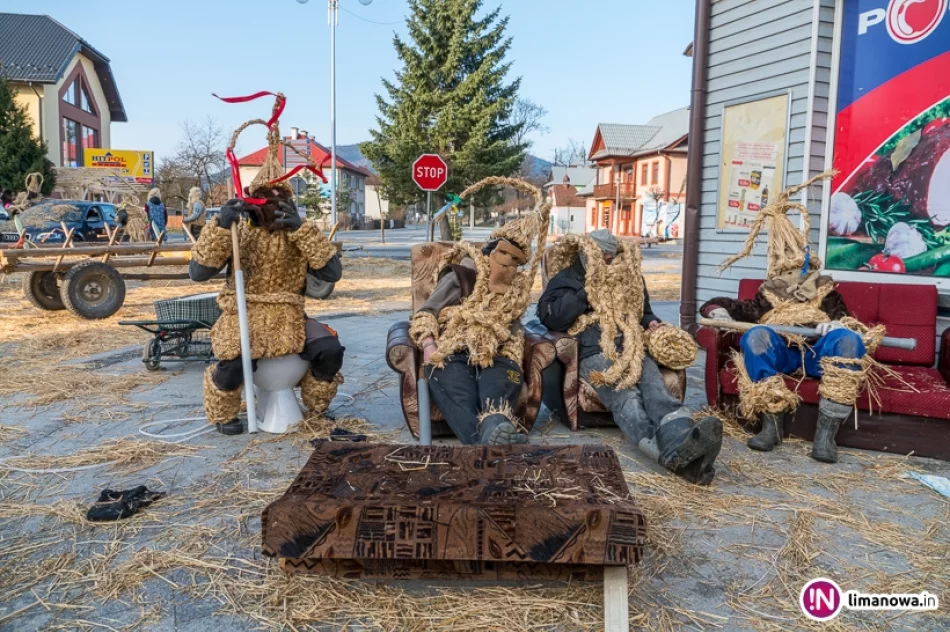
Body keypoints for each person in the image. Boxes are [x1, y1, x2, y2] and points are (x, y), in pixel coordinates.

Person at [700, 171, 867, 463]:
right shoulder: (767, 296)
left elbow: (845, 320)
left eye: (800, 272)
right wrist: (717, 311)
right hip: (784, 357)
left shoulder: (826, 292)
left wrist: (837, 325)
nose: (794, 279)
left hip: (818, 355)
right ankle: (771, 425)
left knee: (849, 340)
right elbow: (723, 304)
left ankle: (825, 437)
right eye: (786, 271)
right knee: (755, 335)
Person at [538, 230, 722, 485]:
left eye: (612, 255)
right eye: (603, 255)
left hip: (632, 347)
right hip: (593, 351)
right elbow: (551, 317)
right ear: (587, 253)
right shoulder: (567, 278)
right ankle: (665, 455)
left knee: (656, 390)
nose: (609, 260)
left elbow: (644, 311)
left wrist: (652, 323)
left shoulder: (628, 277)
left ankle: (684, 438)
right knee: (626, 396)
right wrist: (585, 292)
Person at [189, 186, 344, 435]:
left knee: (329, 349)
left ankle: (317, 405)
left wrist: (301, 231)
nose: (272, 209)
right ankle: (223, 409)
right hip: (243, 310)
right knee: (235, 358)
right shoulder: (237, 232)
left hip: (288, 314)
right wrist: (220, 227)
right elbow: (198, 273)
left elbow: (332, 273)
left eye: (278, 203)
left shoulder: (298, 234)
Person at [409, 213, 542, 445]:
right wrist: (429, 344)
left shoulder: (516, 290)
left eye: (516, 260)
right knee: (459, 392)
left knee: (500, 386)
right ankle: (487, 443)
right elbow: (426, 313)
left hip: (499, 352)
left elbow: (514, 329)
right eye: (503, 254)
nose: (507, 264)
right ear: (490, 252)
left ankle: (496, 426)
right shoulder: (461, 276)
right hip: (453, 349)